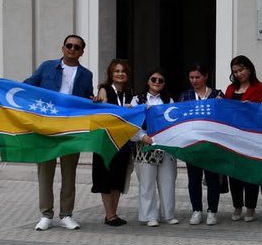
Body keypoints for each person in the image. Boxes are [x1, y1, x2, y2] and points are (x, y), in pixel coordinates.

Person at [7, 34, 94, 230]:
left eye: (77, 47)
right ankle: (46, 214)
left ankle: (66, 214)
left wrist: (94, 99)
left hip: (71, 127)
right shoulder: (47, 67)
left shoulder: (86, 74)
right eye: (69, 45)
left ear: (82, 52)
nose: (72, 49)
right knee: (45, 171)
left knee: (69, 172)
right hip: (46, 125)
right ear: (62, 48)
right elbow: (27, 85)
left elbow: (87, 97)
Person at [92, 58, 135, 227]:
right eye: (117, 71)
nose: (120, 74)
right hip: (106, 141)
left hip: (123, 141)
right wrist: (97, 101)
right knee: (105, 177)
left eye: (123, 71)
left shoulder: (130, 93)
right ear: (111, 74)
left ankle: (113, 213)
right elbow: (102, 107)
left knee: (118, 177)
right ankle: (109, 214)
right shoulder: (104, 90)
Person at [223, 55, 262, 221]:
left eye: (241, 70)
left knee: (250, 173)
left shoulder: (260, 87)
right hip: (232, 136)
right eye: (235, 71)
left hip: (250, 136)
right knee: (233, 173)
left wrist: (252, 107)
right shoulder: (229, 88)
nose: (238, 74)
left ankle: (250, 207)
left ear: (249, 69)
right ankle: (237, 206)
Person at [133, 69, 177, 227]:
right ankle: (149, 215)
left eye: (161, 80)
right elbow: (131, 122)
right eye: (154, 79)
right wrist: (141, 136)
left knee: (168, 180)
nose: (157, 82)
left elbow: (174, 122)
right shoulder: (137, 100)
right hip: (144, 145)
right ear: (148, 81)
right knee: (147, 182)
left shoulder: (169, 100)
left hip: (165, 146)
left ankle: (168, 214)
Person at [180, 64, 223, 225]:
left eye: (197, 77)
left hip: (212, 145)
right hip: (193, 144)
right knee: (194, 178)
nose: (194, 80)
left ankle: (212, 211)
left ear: (205, 77)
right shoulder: (186, 95)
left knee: (212, 179)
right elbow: (178, 117)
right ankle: (196, 210)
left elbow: (225, 115)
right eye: (191, 77)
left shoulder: (217, 95)